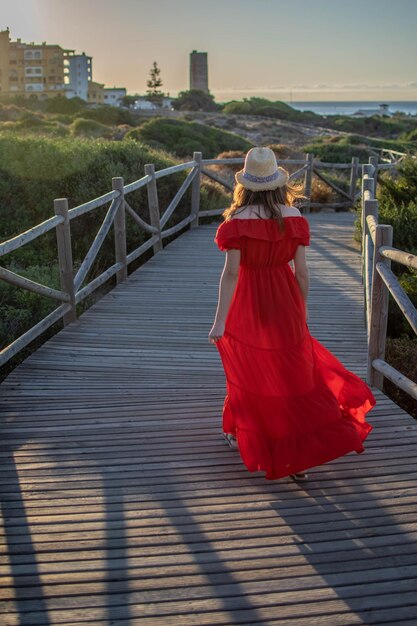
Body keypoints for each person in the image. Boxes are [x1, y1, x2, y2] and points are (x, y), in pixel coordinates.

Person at [208, 146, 376, 482]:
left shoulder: (235, 224)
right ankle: (296, 453)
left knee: (250, 367)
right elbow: (302, 273)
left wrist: (220, 320)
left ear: (245, 185)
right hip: (285, 298)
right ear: (277, 184)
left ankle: (240, 430)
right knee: (292, 370)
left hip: (247, 300)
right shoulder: (296, 219)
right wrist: (301, 307)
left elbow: (230, 275)